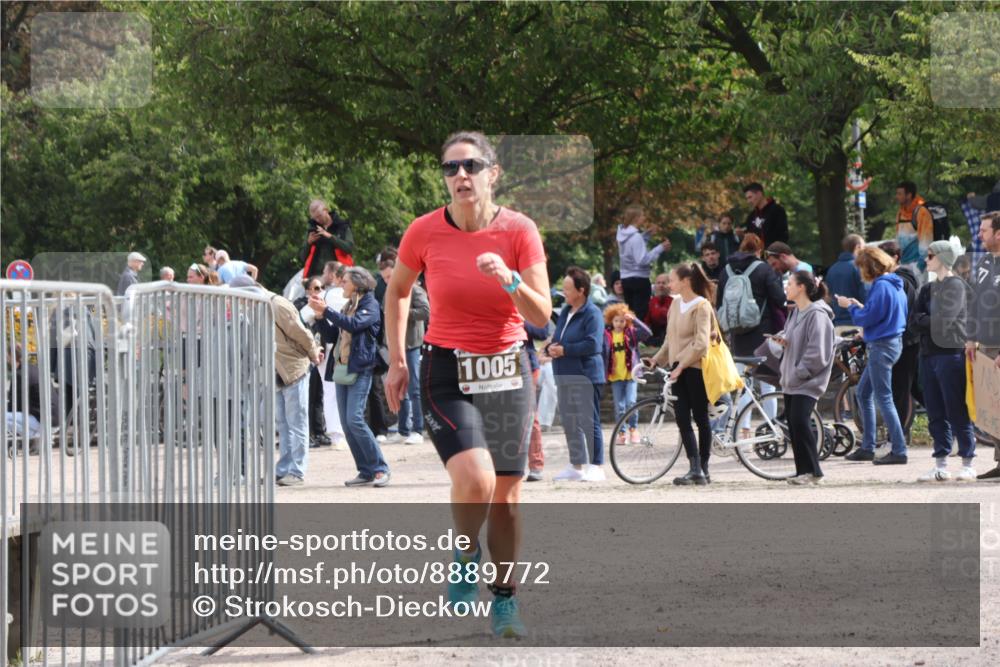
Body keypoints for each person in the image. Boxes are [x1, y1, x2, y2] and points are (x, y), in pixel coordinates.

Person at [383, 131, 551, 638]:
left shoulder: (520, 231)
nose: (461, 175)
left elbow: (541, 315)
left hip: (507, 367)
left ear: (492, 174)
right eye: (452, 168)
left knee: (506, 496)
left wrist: (509, 278)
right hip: (446, 369)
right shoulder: (424, 231)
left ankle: (504, 602)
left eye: (472, 166)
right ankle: (463, 551)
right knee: (476, 479)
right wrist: (396, 359)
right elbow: (397, 292)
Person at [231, 275, 322, 486]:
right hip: (275, 371)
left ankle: (297, 470)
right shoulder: (255, 306)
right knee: (283, 422)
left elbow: (301, 333)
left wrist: (313, 354)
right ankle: (284, 468)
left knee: (297, 422)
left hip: (293, 368)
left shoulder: (277, 304)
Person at [311, 266, 391, 487]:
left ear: (357, 283)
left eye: (344, 281)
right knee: (347, 424)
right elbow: (332, 335)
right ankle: (365, 470)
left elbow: (354, 325)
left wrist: (326, 310)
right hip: (342, 367)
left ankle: (380, 468)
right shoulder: (348, 306)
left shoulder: (371, 305)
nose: (340, 285)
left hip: (360, 367)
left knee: (355, 419)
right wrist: (319, 318)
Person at [838, 246, 909, 465]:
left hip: (881, 346)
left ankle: (899, 450)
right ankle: (867, 447)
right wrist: (861, 307)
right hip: (893, 343)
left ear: (869, 267)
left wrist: (850, 307)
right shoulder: (896, 284)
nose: (860, 273)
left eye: (861, 268)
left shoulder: (880, 287)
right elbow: (882, 313)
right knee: (863, 392)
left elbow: (866, 318)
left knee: (883, 398)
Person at [647, 263, 715, 485]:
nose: (669, 284)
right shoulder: (676, 305)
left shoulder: (702, 306)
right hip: (678, 368)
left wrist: (681, 365)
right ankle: (694, 467)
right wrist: (657, 359)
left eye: (672, 280)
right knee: (682, 418)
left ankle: (703, 468)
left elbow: (701, 344)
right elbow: (670, 339)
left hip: (695, 369)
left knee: (701, 418)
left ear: (686, 281)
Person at [914, 241, 977, 482]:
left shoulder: (957, 286)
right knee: (934, 410)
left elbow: (946, 320)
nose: (926, 259)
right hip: (928, 353)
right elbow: (913, 320)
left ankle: (967, 460)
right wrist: (929, 320)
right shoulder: (927, 288)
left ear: (942, 257)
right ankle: (940, 461)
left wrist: (925, 320)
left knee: (955, 407)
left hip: (950, 353)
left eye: (930, 255)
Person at [769, 271, 835, 485]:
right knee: (795, 424)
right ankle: (803, 472)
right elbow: (793, 339)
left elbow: (818, 352)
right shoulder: (795, 312)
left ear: (802, 288)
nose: (786, 288)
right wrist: (783, 342)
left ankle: (814, 472)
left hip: (807, 380)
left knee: (800, 421)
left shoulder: (817, 314)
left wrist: (799, 372)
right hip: (791, 380)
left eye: (790, 284)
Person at [717, 234, 785, 434]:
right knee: (767, 384)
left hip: (737, 334)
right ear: (759, 250)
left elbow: (719, 303)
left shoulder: (725, 271)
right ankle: (770, 429)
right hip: (762, 332)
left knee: (742, 384)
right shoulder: (764, 269)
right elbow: (779, 299)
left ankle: (743, 428)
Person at [548, 267, 606, 482]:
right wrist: (551, 348)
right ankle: (576, 465)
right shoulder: (565, 311)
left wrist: (565, 350)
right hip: (563, 373)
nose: (563, 292)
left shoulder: (593, 313)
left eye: (567, 288)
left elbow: (593, 343)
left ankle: (597, 465)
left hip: (586, 375)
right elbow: (558, 336)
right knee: (570, 421)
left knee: (589, 421)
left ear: (581, 290)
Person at [966, 211, 1000, 480]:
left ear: (999, 234)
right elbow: (977, 302)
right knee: (993, 407)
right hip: (985, 345)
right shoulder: (986, 261)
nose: (979, 235)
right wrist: (970, 337)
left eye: (984, 230)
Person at [881, 241, 922, 446]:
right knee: (915, 389)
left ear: (895, 257)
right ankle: (953, 423)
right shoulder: (902, 278)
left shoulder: (900, 280)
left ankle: (897, 439)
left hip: (905, 340)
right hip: (906, 339)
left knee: (900, 389)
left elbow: (894, 312)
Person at [391, 261, 430, 446]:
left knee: (414, 388)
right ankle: (403, 429)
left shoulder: (416, 290)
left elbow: (425, 311)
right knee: (401, 389)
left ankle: (417, 430)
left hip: (413, 345)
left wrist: (404, 312)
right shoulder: (394, 290)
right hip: (398, 345)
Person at [603, 303, 652, 445]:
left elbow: (647, 333)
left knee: (631, 403)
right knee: (619, 406)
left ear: (627, 321)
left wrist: (635, 320)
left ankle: (633, 429)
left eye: (622, 321)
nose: (619, 324)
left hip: (631, 375)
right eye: (616, 320)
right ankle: (622, 432)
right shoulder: (606, 335)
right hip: (616, 376)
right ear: (611, 321)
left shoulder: (631, 333)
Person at [616, 204, 671, 321]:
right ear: (636, 218)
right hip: (639, 280)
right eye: (643, 215)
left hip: (626, 279)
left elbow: (634, 248)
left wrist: (646, 235)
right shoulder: (635, 237)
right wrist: (661, 247)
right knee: (640, 315)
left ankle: (630, 337)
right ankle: (638, 338)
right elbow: (642, 260)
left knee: (630, 314)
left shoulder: (623, 236)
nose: (645, 218)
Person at [294, 277, 331, 449]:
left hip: (319, 350)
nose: (319, 291)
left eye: (322, 287)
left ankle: (319, 431)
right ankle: (307, 434)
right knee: (307, 396)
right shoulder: (300, 304)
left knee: (318, 395)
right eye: (316, 288)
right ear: (308, 290)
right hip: (305, 354)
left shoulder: (324, 302)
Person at [524, 319, 553, 482]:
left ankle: (536, 465)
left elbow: (542, 331)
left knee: (529, 415)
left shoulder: (525, 299)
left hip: (525, 364)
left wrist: (518, 320)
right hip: (494, 363)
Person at [302, 199, 355, 278]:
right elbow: (302, 257)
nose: (318, 220)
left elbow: (349, 248)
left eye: (319, 216)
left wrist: (330, 237)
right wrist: (308, 243)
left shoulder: (342, 226)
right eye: (315, 218)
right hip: (316, 276)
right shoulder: (312, 230)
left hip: (338, 275)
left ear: (326, 210)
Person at [825, 234, 868, 329]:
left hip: (837, 323)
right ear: (858, 247)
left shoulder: (832, 269)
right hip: (857, 323)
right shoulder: (859, 268)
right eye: (864, 247)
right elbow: (866, 297)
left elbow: (829, 297)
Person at [895, 180, 934, 273]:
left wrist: (920, 267)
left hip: (917, 265)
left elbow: (926, 241)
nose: (897, 197)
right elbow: (897, 238)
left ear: (909, 195)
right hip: (903, 263)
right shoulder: (900, 213)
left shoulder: (922, 212)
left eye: (900, 194)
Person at [644, 273, 673, 347]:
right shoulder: (651, 302)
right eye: (658, 283)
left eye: (664, 283)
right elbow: (646, 322)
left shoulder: (674, 302)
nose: (661, 285)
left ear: (669, 285)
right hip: (655, 334)